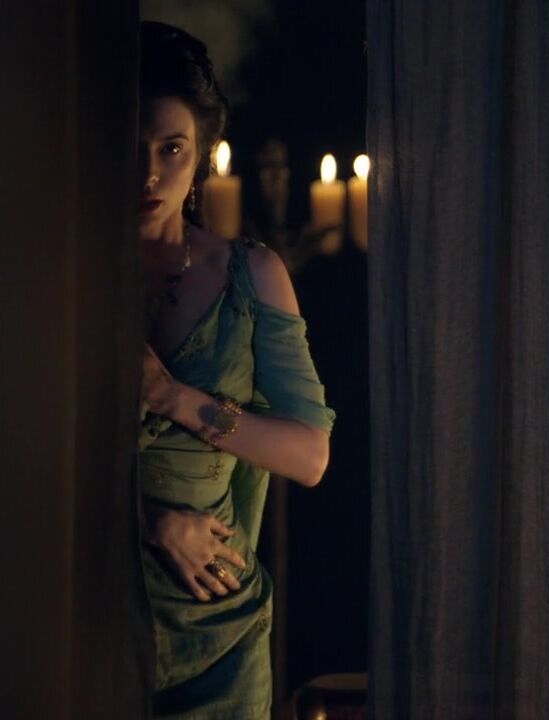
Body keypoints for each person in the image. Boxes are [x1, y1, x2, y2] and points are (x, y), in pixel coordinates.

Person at [137, 21, 335, 718]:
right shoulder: (58, 272)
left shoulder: (249, 274)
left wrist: (176, 398)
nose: (149, 174)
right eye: (132, 147)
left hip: (218, 634)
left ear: (200, 155)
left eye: (171, 148)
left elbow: (309, 455)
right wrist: (149, 520)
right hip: (78, 608)